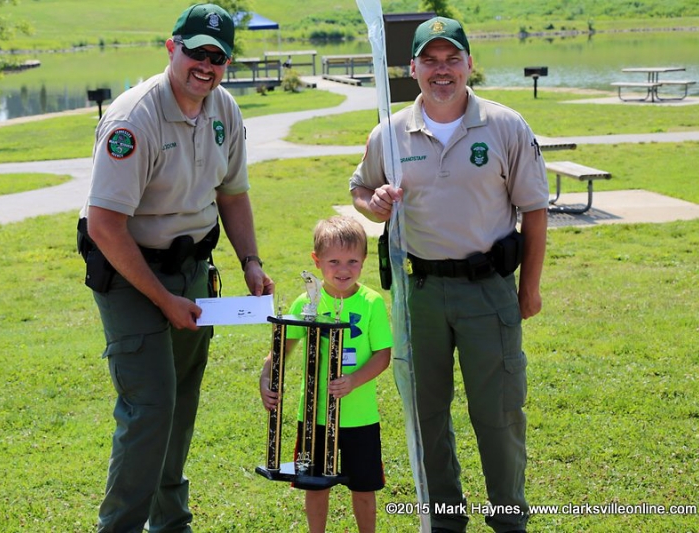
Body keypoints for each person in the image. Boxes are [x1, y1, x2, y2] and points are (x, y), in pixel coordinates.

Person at [77, 4, 274, 532]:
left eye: (218, 56)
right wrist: (163, 300)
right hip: (128, 272)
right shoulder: (132, 119)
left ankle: (170, 523)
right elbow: (104, 227)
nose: (205, 65)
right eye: (196, 52)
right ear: (172, 48)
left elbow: (232, 193)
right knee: (150, 408)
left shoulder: (224, 108)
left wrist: (250, 262)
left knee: (181, 402)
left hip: (193, 270)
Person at [349, 17, 548, 533]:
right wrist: (373, 202)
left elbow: (534, 210)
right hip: (419, 294)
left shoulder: (505, 126)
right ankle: (444, 518)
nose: (442, 71)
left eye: (452, 59)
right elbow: (360, 189)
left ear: (469, 64)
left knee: (499, 413)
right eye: (430, 61)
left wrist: (529, 288)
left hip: (488, 290)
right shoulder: (389, 132)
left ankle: (509, 519)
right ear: (412, 68)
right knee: (427, 414)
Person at [259, 216, 392, 533]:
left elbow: (383, 356)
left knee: (364, 488)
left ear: (364, 260)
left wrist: (353, 381)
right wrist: (266, 377)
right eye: (334, 262)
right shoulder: (306, 302)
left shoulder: (371, 302)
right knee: (315, 485)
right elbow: (282, 349)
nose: (343, 270)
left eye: (352, 261)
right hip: (314, 418)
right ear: (317, 261)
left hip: (360, 419)